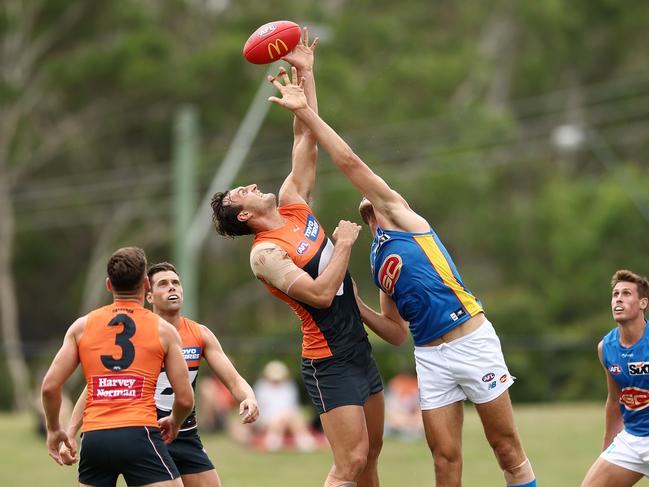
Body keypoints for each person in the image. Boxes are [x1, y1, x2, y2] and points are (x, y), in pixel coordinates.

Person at [265, 68, 536, 487]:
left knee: (507, 450)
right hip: (430, 355)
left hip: (471, 338)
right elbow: (395, 333)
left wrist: (307, 104)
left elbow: (348, 161)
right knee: (445, 460)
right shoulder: (377, 259)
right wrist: (356, 304)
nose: (369, 188)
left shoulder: (402, 217)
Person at [210, 27, 406, 487]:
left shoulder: (292, 200)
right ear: (243, 215)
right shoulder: (265, 254)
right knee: (349, 463)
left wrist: (306, 73)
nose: (252, 186)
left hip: (357, 347)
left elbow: (306, 138)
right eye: (243, 192)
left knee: (372, 456)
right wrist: (341, 244)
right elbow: (319, 295)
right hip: (327, 361)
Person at [61, 261, 260, 487]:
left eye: (176, 283)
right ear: (149, 296)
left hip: (184, 433)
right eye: (163, 284)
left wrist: (248, 397)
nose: (172, 288)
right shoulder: (136, 333)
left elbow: (232, 379)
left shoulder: (199, 334)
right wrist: (70, 430)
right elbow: (97, 385)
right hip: (144, 435)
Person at [41, 246, 194, 487]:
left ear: (109, 285)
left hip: (94, 438)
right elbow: (185, 399)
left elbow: (50, 387)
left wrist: (54, 430)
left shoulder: (81, 327)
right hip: (139, 433)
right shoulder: (163, 330)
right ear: (146, 284)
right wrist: (174, 421)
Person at [581, 269, 649, 487]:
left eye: (627, 293)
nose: (618, 298)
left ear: (643, 303)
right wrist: (606, 451)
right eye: (615, 294)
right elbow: (614, 400)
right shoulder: (606, 348)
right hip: (631, 440)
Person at [253, 360, 316, 452]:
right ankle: (302, 440)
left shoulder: (289, 386)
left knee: (289, 416)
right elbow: (261, 408)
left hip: (287, 416)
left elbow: (293, 405)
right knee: (283, 416)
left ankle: (277, 440)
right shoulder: (261, 387)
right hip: (268, 418)